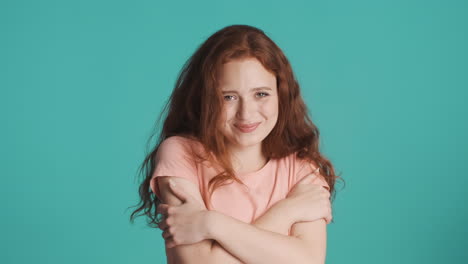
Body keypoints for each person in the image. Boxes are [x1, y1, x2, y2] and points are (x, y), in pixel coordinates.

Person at [130, 24, 342, 264]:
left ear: (281, 95)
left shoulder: (302, 170)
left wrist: (210, 224)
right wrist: (288, 211)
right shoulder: (181, 153)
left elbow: (309, 260)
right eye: (228, 97)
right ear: (205, 99)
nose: (246, 113)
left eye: (261, 94)